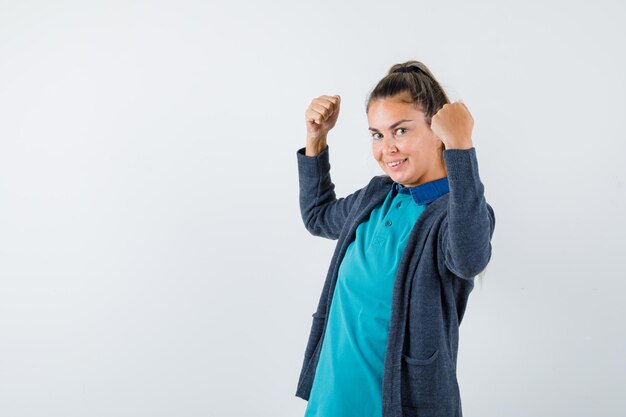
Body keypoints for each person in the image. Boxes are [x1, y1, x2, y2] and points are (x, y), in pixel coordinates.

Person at [294, 60, 496, 417]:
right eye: (377, 134)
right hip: (332, 400)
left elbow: (469, 257)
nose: (387, 147)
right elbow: (317, 216)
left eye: (401, 131)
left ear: (437, 131)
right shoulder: (376, 198)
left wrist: (461, 146)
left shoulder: (454, 213)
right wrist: (316, 138)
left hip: (402, 406)